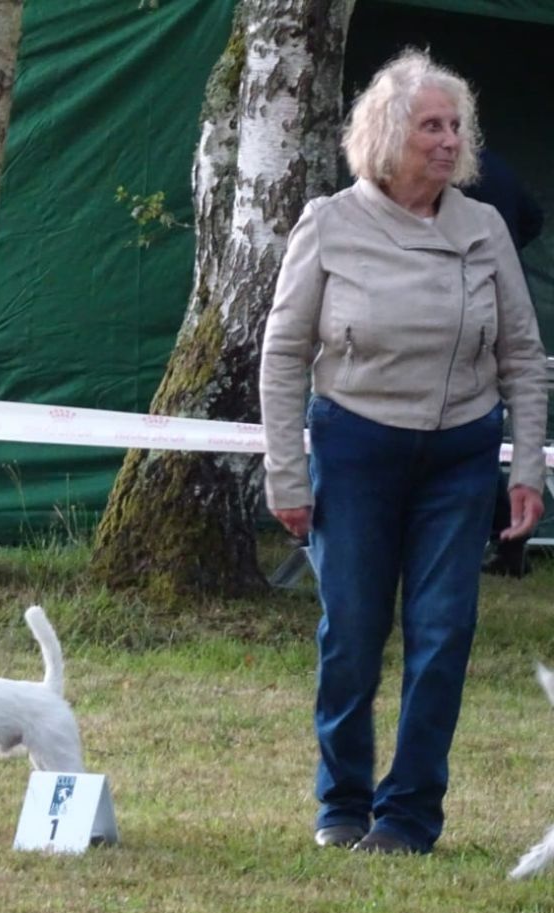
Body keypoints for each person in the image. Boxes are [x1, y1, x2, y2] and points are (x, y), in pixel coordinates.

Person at [259, 48, 547, 855]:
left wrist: (524, 467)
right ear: (389, 134)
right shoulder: (329, 223)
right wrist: (288, 472)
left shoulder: (485, 227)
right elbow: (283, 355)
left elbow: (522, 355)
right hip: (355, 449)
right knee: (352, 634)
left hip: (461, 455)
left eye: (457, 126)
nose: (451, 141)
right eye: (432, 126)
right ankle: (342, 803)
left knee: (444, 632)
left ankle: (410, 816)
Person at [462, 149, 546, 577]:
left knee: (468, 435)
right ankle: (511, 538)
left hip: (473, 316)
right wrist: (507, 254)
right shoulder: (497, 165)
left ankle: (507, 532)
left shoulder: (447, 178)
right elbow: (534, 219)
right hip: (505, 306)